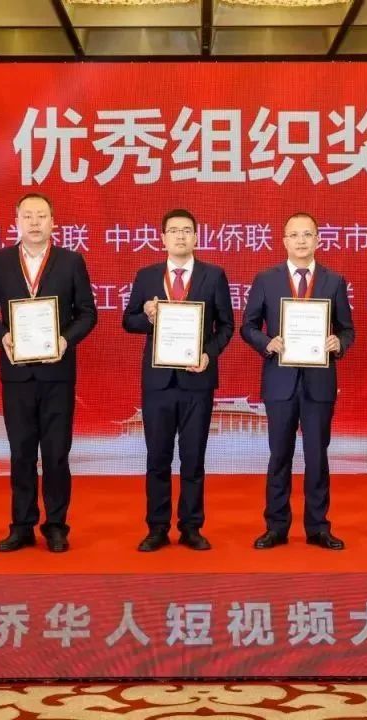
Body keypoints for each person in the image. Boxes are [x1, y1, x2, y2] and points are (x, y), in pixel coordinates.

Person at [0, 192, 97, 553]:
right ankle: (22, 525)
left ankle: (56, 526)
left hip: (57, 373)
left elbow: (87, 313)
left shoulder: (71, 261)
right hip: (17, 374)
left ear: (53, 222)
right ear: (16, 222)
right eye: (27, 216)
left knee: (56, 454)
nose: (34, 222)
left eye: (41, 216)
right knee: (22, 452)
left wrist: (64, 339)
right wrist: (3, 336)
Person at [240, 212, 354, 551]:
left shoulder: (334, 281)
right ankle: (276, 526)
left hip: (319, 382)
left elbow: (347, 329)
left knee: (317, 456)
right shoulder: (266, 280)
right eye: (294, 235)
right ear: (284, 241)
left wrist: (338, 342)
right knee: (279, 456)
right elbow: (248, 326)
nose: (301, 241)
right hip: (280, 380)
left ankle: (318, 527)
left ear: (318, 239)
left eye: (307, 234)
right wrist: (267, 342)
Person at [122, 209, 234, 552]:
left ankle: (191, 526)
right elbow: (128, 321)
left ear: (197, 237)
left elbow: (226, 325)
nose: (180, 236)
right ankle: (157, 528)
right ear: (163, 238)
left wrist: (209, 354)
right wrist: (148, 316)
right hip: (158, 382)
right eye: (173, 231)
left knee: (193, 458)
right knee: (157, 458)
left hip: (197, 380)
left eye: (187, 230)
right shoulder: (147, 276)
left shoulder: (213, 275)